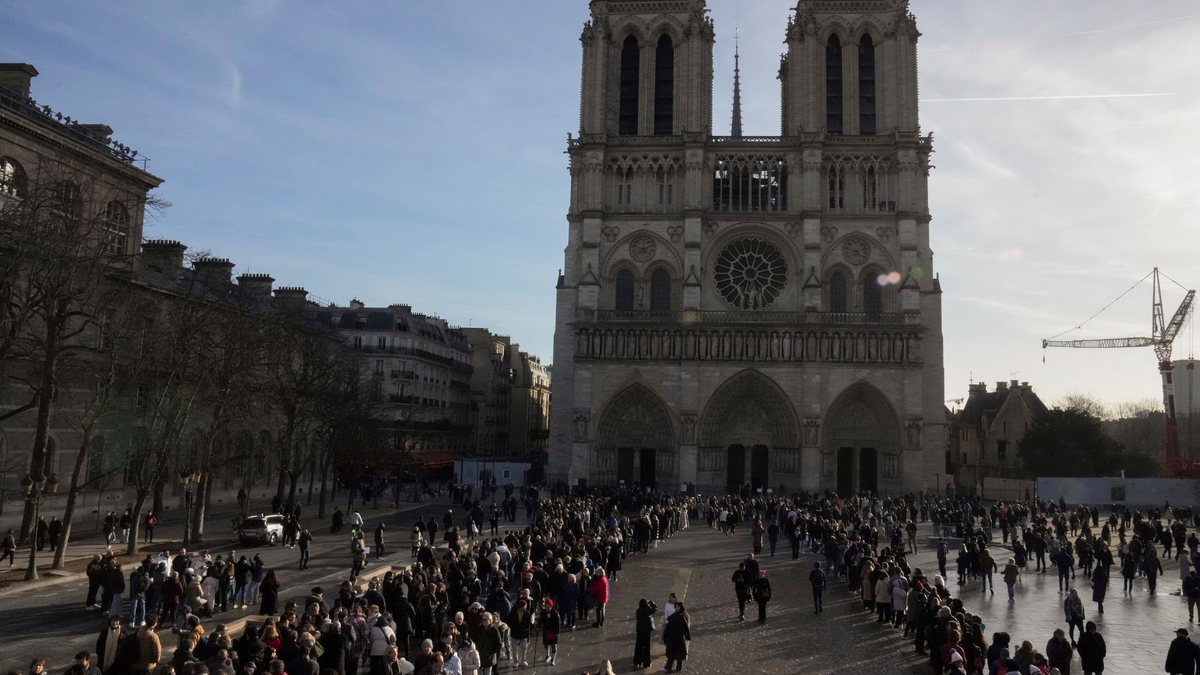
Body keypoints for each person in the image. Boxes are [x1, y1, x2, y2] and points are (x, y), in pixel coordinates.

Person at [662, 602, 690, 673]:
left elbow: (686, 628)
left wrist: (687, 636)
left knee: (678, 654)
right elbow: (668, 628)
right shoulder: (675, 616)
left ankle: (677, 667)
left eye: (678, 607)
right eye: (676, 607)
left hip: (679, 638)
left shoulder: (682, 617)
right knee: (673, 653)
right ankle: (670, 667)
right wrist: (665, 637)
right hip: (673, 638)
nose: (676, 608)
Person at [633, 598, 658, 669]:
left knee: (639, 646)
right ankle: (646, 662)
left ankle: (637, 661)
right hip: (647, 631)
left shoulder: (638, 611)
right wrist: (651, 602)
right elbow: (655, 608)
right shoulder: (647, 611)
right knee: (646, 647)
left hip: (639, 630)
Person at [540, 598, 560, 666]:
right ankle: (547, 655)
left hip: (553, 632)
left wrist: (557, 632)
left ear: (551, 606)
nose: (547, 608)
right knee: (546, 644)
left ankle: (553, 658)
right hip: (546, 631)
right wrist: (538, 627)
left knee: (553, 645)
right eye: (546, 606)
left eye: (548, 606)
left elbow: (557, 624)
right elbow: (540, 621)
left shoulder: (555, 614)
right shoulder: (543, 613)